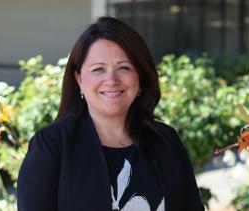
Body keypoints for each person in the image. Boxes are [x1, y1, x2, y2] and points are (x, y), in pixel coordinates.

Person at [17, 17, 204, 211]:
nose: (112, 80)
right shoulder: (51, 146)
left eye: (124, 68)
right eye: (98, 69)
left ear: (140, 75)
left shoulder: (166, 141)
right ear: (79, 78)